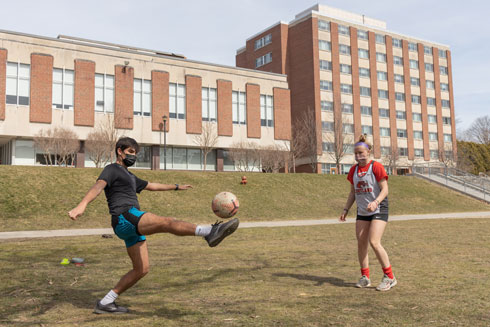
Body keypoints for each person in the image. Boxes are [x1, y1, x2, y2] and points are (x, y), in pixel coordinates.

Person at [68, 137, 239, 314]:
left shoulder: (130, 176)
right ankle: (209, 231)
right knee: (167, 222)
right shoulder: (112, 169)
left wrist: (176, 186)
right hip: (125, 216)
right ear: (120, 151)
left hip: (128, 226)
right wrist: (82, 205)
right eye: (131, 152)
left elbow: (151, 185)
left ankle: (105, 302)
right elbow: (98, 186)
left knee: (141, 269)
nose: (133, 156)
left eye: (135, 153)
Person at [339, 134, 397, 291]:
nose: (358, 156)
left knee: (374, 242)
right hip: (363, 211)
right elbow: (353, 192)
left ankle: (390, 277)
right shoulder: (353, 170)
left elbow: (385, 189)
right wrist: (346, 210)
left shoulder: (376, 167)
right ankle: (365, 277)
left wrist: (376, 202)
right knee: (361, 242)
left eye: (361, 153)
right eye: (356, 153)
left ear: (368, 152)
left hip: (379, 208)